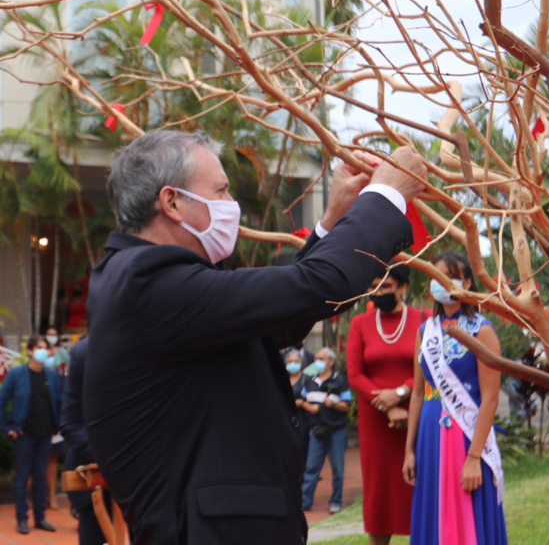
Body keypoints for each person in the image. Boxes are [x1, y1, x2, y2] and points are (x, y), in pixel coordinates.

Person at [83, 130, 426, 543]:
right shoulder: (148, 282)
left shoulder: (149, 280)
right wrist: (386, 197)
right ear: (172, 202)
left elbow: (283, 318)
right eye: (222, 191)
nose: (232, 206)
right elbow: (315, 287)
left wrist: (332, 221)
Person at [403, 250, 508, 544]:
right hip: (429, 438)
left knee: (469, 510)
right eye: (437, 276)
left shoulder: (482, 331)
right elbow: (417, 394)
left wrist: (474, 458)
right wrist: (409, 450)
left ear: (468, 282)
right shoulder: (425, 331)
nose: (442, 283)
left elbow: (490, 399)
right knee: (433, 514)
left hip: (468, 438)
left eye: (450, 276)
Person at [346, 262, 425, 544]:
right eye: (372, 287)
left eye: (385, 285)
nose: (377, 291)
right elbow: (354, 374)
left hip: (415, 416)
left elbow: (430, 366)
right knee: (378, 494)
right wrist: (387, 404)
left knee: (419, 486)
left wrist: (402, 392)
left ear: (403, 287)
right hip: (376, 421)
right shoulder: (360, 324)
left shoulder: (423, 319)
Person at [0, 335, 62, 535]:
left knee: (40, 477)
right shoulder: (17, 374)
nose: (44, 351)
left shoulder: (51, 375)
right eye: (39, 347)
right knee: (23, 478)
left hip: (45, 435)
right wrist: (7, 427)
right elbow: (0, 402)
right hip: (23, 435)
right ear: (30, 351)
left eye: (46, 348)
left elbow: (58, 402)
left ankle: (40, 518)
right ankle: (22, 519)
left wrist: (57, 426)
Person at [59, 337, 111, 545]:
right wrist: (110, 460)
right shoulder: (85, 352)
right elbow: (70, 423)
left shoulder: (161, 343)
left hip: (150, 485)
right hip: (94, 478)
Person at [301, 348, 352, 514]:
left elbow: (347, 406)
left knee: (338, 468)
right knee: (311, 468)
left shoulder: (339, 381)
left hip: (336, 430)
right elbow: (302, 401)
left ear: (330, 361)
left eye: (321, 359)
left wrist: (334, 404)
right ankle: (305, 501)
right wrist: (309, 406)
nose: (317, 362)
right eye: (316, 359)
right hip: (317, 430)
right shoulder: (309, 379)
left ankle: (336, 500)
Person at [43, 327, 68, 509]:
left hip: (57, 415)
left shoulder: (64, 355)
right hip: (39, 416)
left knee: (53, 457)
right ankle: (36, 496)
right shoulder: (40, 357)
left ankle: (51, 495)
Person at [285, 349, 310, 469]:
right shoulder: (283, 379)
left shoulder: (306, 380)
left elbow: (307, 400)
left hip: (303, 420)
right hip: (285, 420)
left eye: (295, 361)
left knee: (302, 449)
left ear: (301, 363)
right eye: (290, 361)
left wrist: (298, 403)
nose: (292, 364)